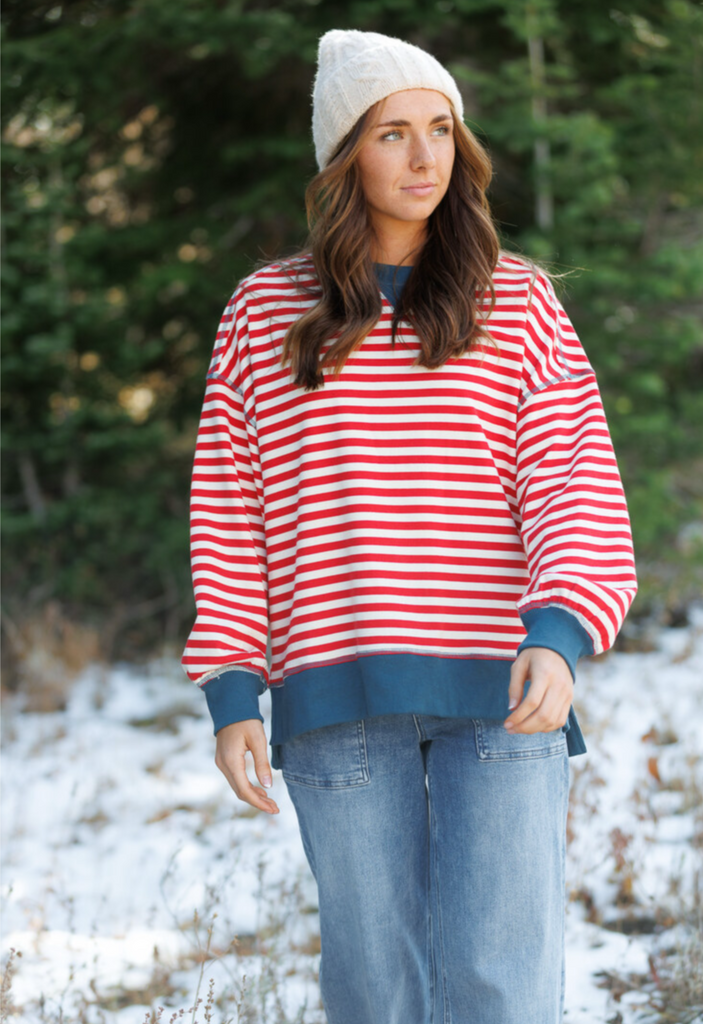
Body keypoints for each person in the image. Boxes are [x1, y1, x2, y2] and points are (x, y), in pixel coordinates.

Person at [181, 27, 637, 1024]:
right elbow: (230, 507)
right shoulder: (266, 312)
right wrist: (230, 688)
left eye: (441, 130)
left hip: (503, 691)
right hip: (335, 695)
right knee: (376, 992)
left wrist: (562, 631)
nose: (425, 158)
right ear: (347, 156)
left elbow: (572, 479)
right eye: (393, 134)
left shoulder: (516, 302)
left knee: (499, 987)